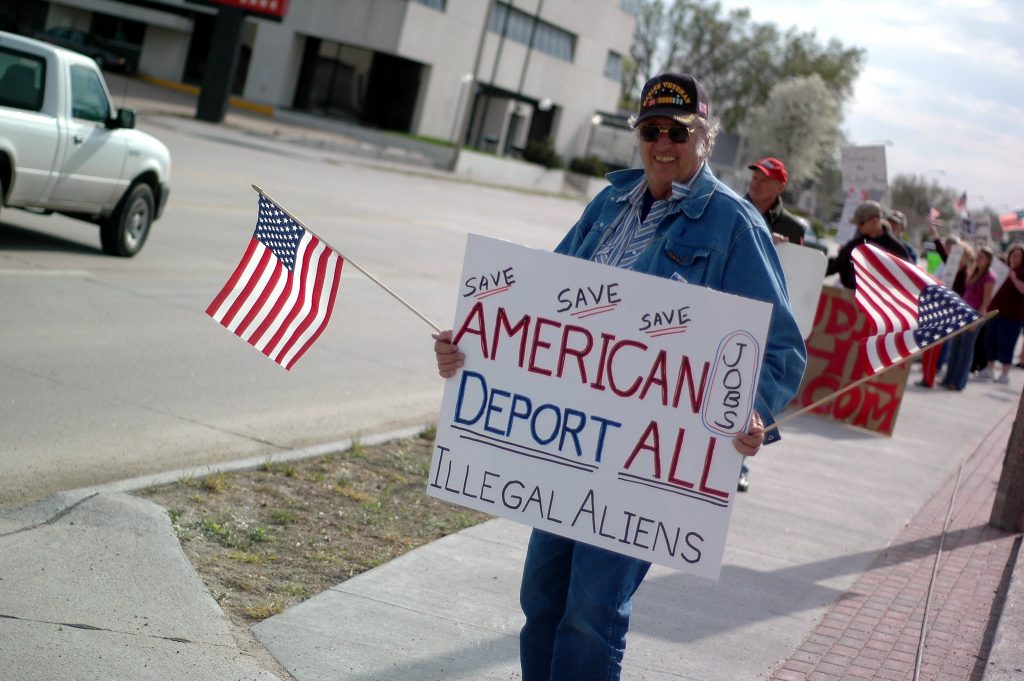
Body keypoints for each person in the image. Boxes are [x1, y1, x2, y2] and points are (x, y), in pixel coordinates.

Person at [432, 72, 807, 681]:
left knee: (592, 611)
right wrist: (472, 345)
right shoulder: (608, 205)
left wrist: (754, 411)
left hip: (647, 468)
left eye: (679, 132)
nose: (664, 143)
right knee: (543, 598)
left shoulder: (735, 225)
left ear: (704, 138)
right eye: (652, 130)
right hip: (568, 447)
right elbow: (538, 303)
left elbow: (781, 347)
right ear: (638, 134)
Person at [940, 246, 995, 391]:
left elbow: (986, 301)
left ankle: (958, 382)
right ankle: (949, 378)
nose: (978, 258)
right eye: (978, 256)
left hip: (974, 316)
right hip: (962, 313)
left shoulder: (989, 277)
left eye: (982, 257)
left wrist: (977, 320)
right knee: (955, 346)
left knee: (966, 349)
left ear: (988, 260)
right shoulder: (975, 272)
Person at [826, 201, 912, 288]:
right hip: (851, 299)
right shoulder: (854, 246)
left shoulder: (896, 249)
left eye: (861, 223)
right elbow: (836, 264)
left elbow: (910, 277)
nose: (858, 226)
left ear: (875, 221)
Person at [980, 243, 1024, 384]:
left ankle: (1005, 373)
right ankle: (990, 368)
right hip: (995, 312)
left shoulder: (1021, 272)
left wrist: (1013, 277)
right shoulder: (1004, 269)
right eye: (1013, 254)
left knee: (1007, 343)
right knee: (991, 340)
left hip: (1012, 316)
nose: (1014, 257)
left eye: (1018, 255)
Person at [745, 157, 805, 245]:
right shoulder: (733, 210)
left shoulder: (794, 229)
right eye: (755, 178)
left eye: (763, 180)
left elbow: (796, 258)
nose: (756, 184)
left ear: (780, 188)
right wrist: (765, 239)